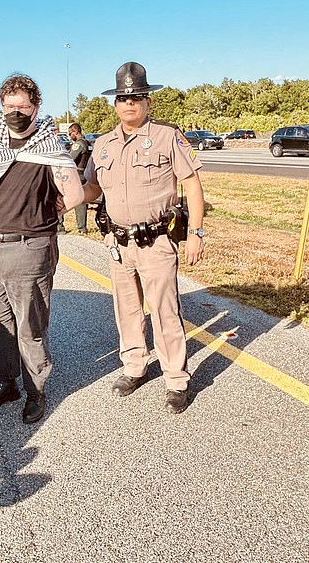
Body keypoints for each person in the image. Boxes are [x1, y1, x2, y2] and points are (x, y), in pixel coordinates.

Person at [80, 62, 205, 414]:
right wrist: (65, 195)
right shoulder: (102, 144)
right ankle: (135, 366)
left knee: (165, 310)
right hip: (118, 243)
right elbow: (91, 188)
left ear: (148, 101)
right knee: (128, 310)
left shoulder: (167, 136)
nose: (129, 104)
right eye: (123, 98)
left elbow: (192, 186)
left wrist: (196, 233)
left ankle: (176, 378)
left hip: (157, 240)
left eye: (136, 97)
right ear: (115, 103)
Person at [0, 73, 83, 424]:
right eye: (9, 106)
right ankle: (6, 383)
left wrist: (45, 214)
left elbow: (75, 194)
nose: (15, 112)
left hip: (27, 247)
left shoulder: (50, 148)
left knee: (29, 324)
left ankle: (36, 391)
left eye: (22, 106)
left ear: (36, 107)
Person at [68, 122, 90, 234]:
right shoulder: (87, 142)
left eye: (70, 133)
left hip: (78, 175)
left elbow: (70, 159)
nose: (69, 136)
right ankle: (82, 227)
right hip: (85, 173)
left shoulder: (78, 144)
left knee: (79, 202)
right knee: (81, 201)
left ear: (75, 132)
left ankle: (81, 227)